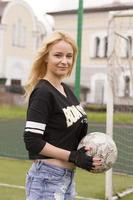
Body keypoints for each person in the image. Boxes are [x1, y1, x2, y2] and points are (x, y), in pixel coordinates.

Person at [23, 31, 102, 200]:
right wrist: (73, 156)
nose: (64, 61)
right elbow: (32, 141)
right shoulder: (43, 92)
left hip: (67, 178)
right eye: (58, 55)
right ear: (46, 57)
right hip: (46, 178)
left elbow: (68, 137)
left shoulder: (66, 90)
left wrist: (84, 155)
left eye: (69, 56)